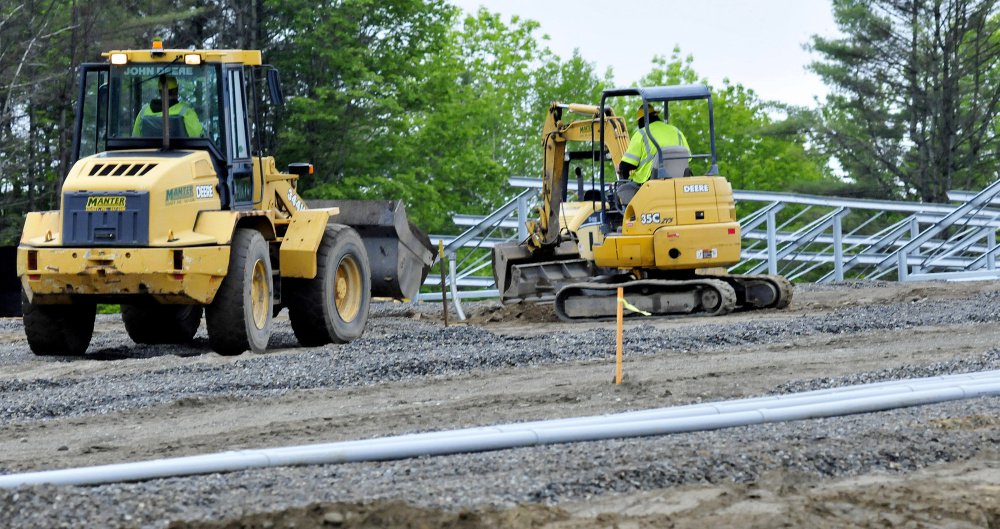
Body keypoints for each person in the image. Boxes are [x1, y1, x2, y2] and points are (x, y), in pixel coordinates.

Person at [617, 104, 689, 184]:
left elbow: (626, 165)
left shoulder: (641, 134)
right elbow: (688, 158)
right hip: (679, 180)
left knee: (623, 189)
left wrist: (620, 167)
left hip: (649, 182)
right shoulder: (677, 131)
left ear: (641, 120)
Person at [132, 75, 203, 138]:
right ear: (176, 91)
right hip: (180, 153)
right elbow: (198, 137)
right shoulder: (186, 112)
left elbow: (135, 138)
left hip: (148, 153)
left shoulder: (143, 112)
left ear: (159, 92)